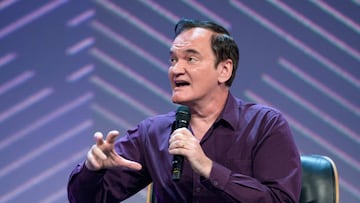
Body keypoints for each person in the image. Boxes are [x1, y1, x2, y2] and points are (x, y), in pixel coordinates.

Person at [67, 18, 301, 202]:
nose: (176, 69)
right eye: (173, 60)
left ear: (224, 70)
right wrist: (92, 170)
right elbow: (87, 199)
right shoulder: (153, 132)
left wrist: (209, 168)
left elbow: (280, 200)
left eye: (190, 59)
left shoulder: (265, 124)